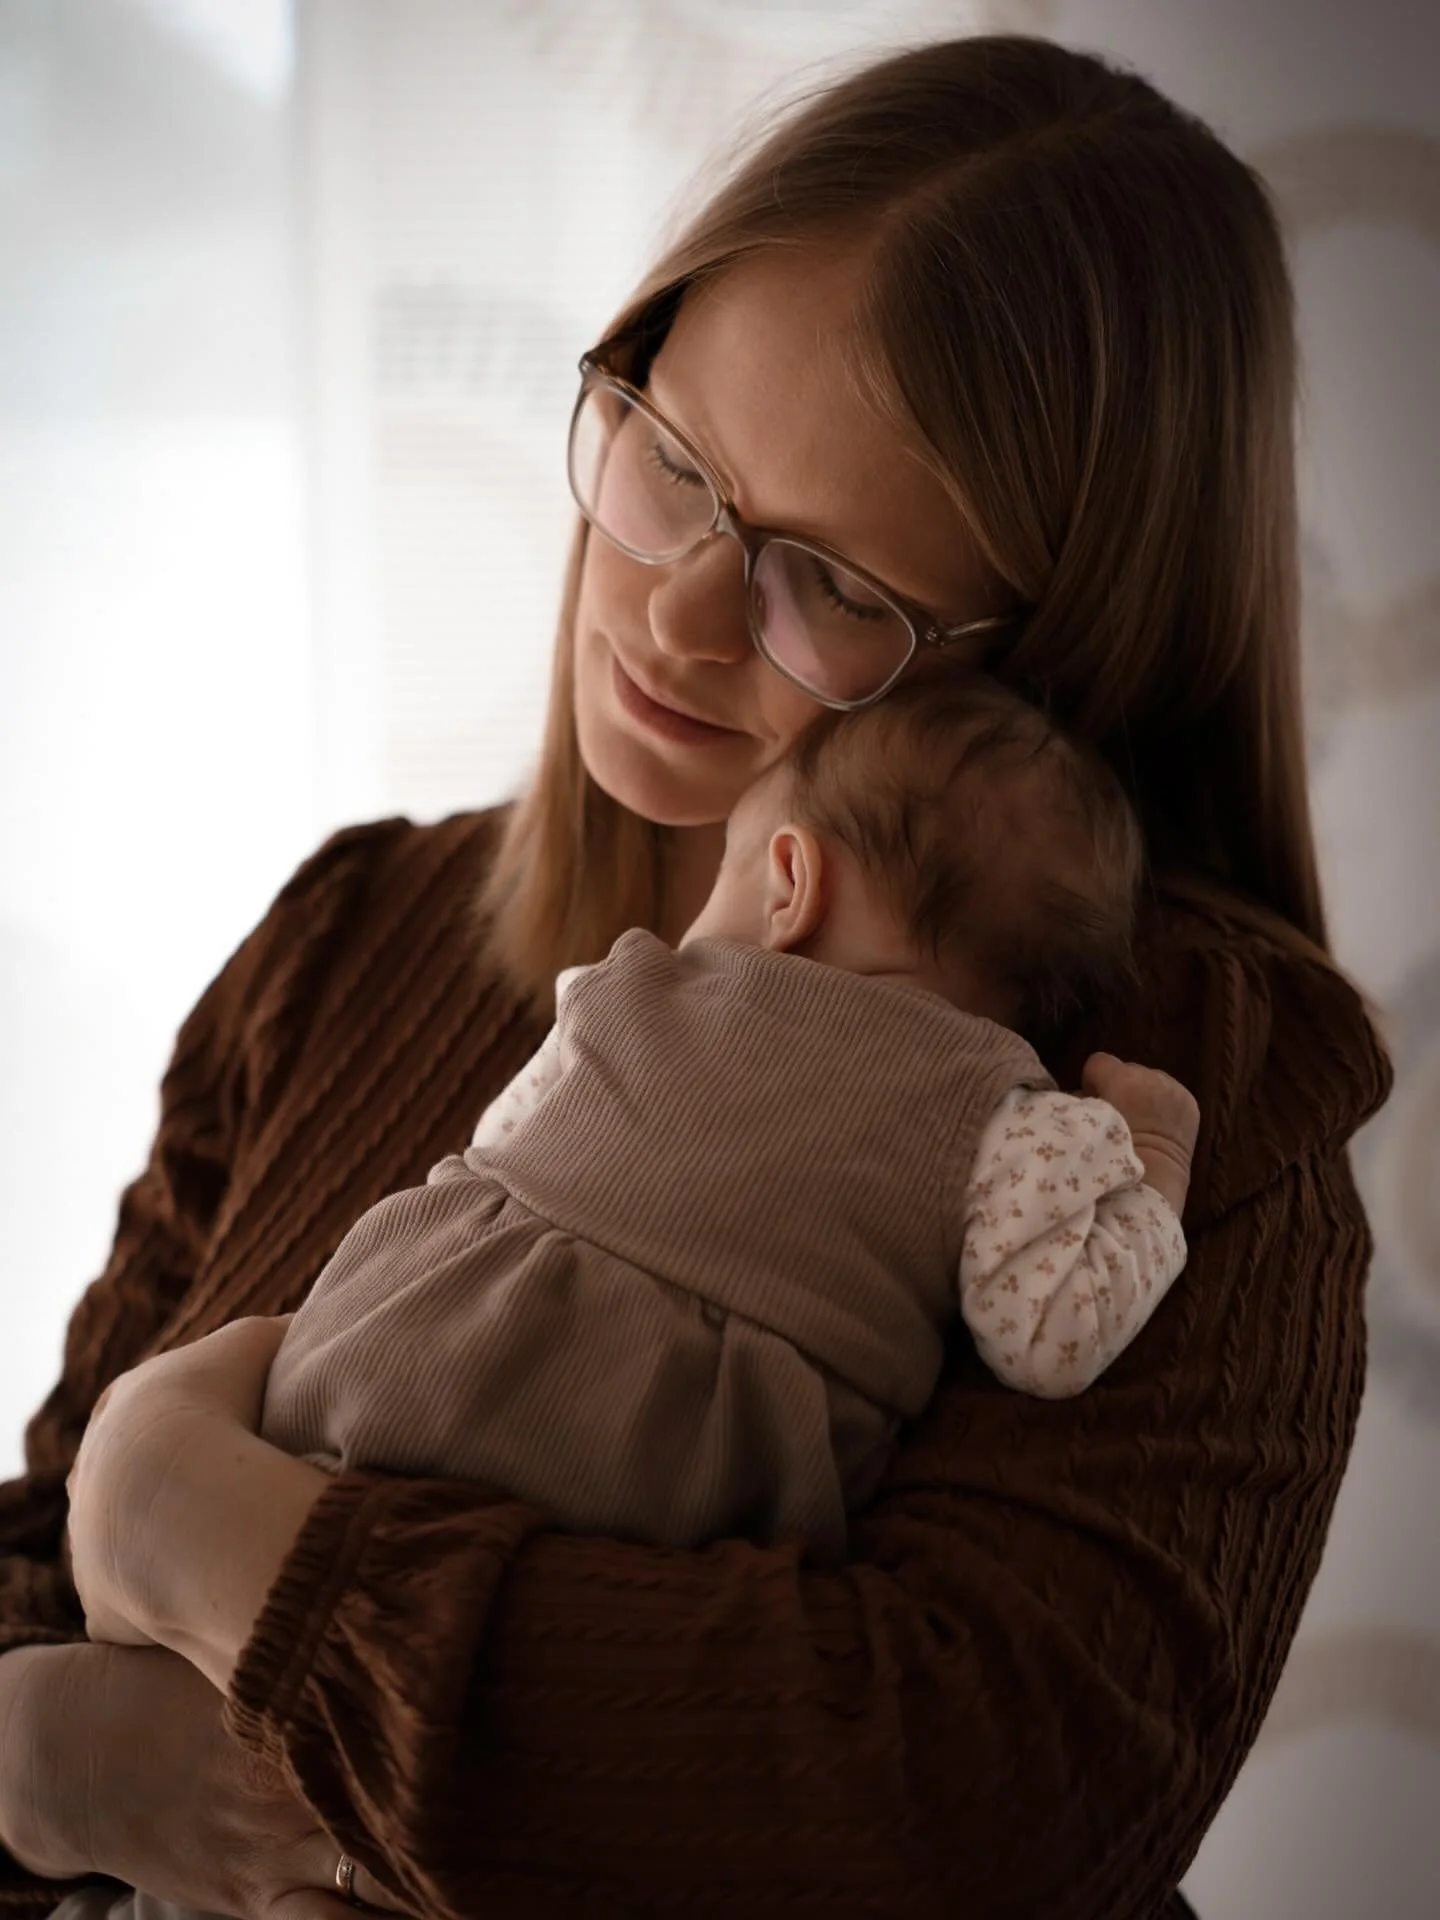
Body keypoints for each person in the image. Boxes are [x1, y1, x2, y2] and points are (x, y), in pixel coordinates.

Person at [0, 32, 1390, 1920]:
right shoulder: (352, 933)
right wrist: (35, 1762)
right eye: (671, 458)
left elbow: (947, 1804)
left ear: (1051, 674)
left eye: (828, 586)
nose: (667, 608)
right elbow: (31, 1555)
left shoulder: (1153, 1111)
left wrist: (220, 1560)